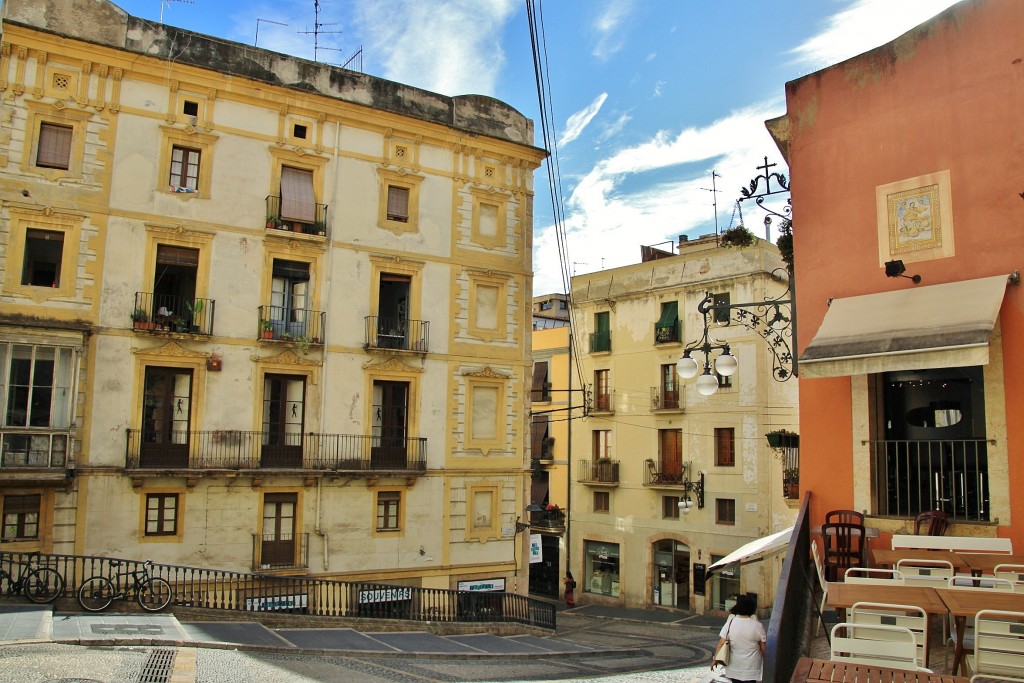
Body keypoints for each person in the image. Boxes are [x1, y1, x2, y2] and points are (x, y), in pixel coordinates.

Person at [711, 594, 765, 683]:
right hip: (752, 667)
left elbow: (721, 643)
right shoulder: (758, 626)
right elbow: (763, 648)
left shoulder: (730, 623)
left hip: (734, 666)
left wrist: (715, 660)